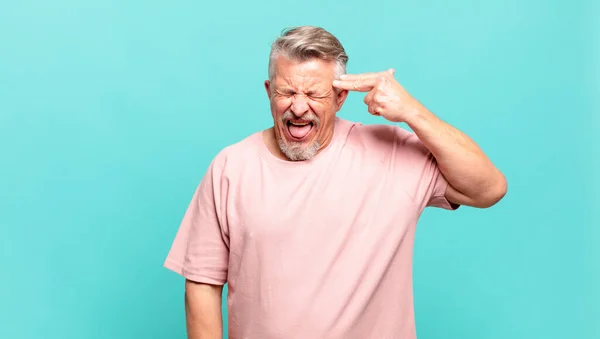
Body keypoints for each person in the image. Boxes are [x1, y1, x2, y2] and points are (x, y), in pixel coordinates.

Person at [164, 26, 507, 339]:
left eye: (314, 94)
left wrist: (412, 112)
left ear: (341, 97)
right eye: (286, 92)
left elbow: (488, 188)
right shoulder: (231, 166)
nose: (298, 108)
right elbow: (202, 283)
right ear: (269, 92)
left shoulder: (392, 153)